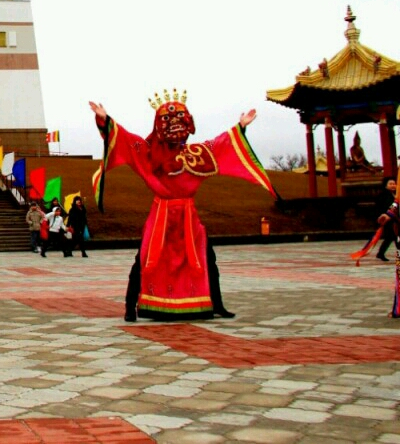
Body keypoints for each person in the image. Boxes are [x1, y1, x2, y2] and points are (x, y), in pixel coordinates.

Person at [90, 91, 277, 322]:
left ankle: (215, 303)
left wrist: (240, 126)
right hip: (162, 215)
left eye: (180, 118)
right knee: (145, 258)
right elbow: (125, 140)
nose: (175, 124)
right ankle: (131, 306)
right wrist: (105, 120)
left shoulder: (195, 153)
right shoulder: (148, 153)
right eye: (168, 120)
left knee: (208, 258)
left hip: (188, 216)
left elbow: (221, 144)